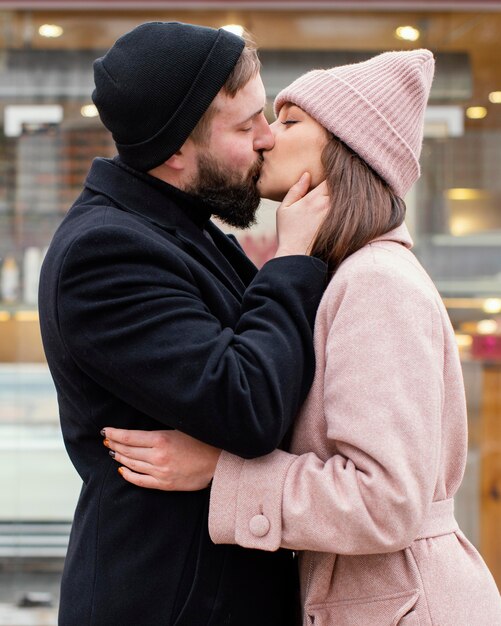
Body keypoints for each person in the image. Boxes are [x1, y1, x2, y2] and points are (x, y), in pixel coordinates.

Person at [103, 49, 501, 625]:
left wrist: (221, 470)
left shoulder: (374, 284)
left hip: (410, 605)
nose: (265, 138)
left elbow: (385, 500)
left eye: (289, 123)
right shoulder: (346, 276)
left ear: (343, 152)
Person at [38, 21, 331, 626]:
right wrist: (294, 260)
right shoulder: (104, 254)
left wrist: (220, 467)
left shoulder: (181, 222)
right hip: (170, 602)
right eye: (246, 125)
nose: (267, 139)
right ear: (174, 151)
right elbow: (248, 403)